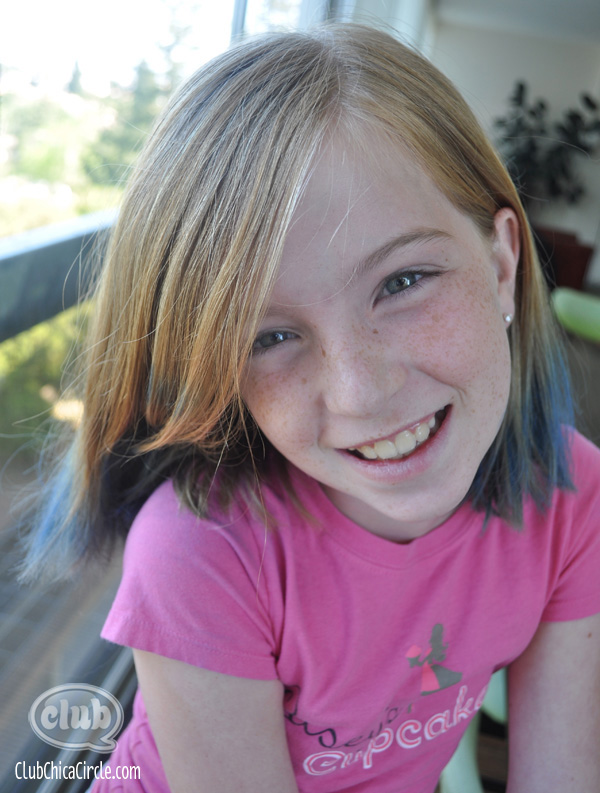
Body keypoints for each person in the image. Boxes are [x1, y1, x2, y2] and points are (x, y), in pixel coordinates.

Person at [20, 23, 600, 793]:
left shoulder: (571, 496)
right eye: (273, 336)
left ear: (500, 262)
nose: (360, 391)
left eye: (403, 281)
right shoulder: (200, 553)